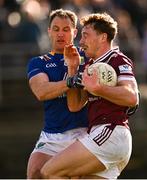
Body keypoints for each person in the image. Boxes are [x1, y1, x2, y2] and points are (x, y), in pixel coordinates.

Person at [41, 12, 139, 179]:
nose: (81, 42)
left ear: (102, 37)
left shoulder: (117, 59)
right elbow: (74, 106)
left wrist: (99, 89)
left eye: (85, 36)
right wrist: (72, 69)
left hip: (110, 132)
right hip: (105, 138)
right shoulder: (88, 66)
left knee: (49, 171)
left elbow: (132, 97)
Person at [26, 9, 88, 179]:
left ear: (75, 32)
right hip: (52, 135)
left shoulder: (88, 58)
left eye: (66, 29)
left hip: (83, 133)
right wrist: (70, 81)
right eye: (56, 29)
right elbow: (41, 91)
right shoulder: (39, 62)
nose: (61, 34)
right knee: (34, 173)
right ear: (49, 32)